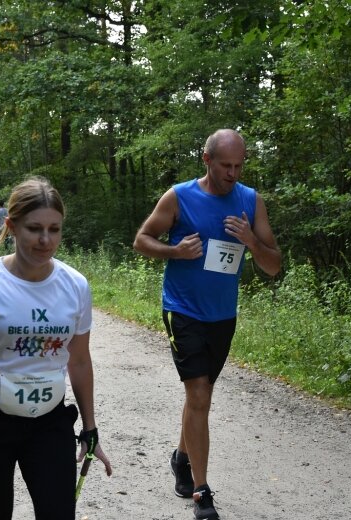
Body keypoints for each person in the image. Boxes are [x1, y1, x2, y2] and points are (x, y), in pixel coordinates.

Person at [133, 129, 281, 520]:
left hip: (222, 316)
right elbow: (142, 240)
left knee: (201, 394)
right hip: (182, 310)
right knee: (199, 394)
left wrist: (251, 240)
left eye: (239, 166)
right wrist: (175, 251)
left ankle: (183, 457)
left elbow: (273, 265)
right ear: (207, 160)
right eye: (225, 166)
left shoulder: (251, 201)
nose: (232, 173)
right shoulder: (180, 197)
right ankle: (202, 491)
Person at [0, 177, 112, 520]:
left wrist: (90, 426)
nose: (45, 239)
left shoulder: (75, 285)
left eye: (54, 229)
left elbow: (80, 361)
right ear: (11, 227)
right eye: (34, 228)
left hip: (49, 423)